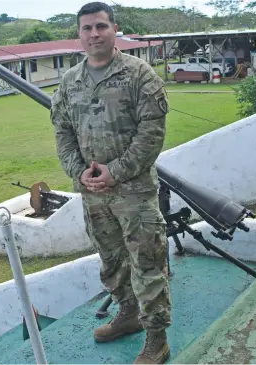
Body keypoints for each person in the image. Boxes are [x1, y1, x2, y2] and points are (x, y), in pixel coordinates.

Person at [49, 2, 172, 364]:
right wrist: (78, 171)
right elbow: (63, 131)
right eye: (87, 28)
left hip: (134, 194)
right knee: (112, 262)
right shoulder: (71, 81)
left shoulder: (140, 75)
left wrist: (115, 171)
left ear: (114, 29)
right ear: (79, 35)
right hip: (93, 195)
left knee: (146, 263)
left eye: (101, 26)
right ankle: (128, 315)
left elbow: (152, 133)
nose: (94, 34)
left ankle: (157, 339)